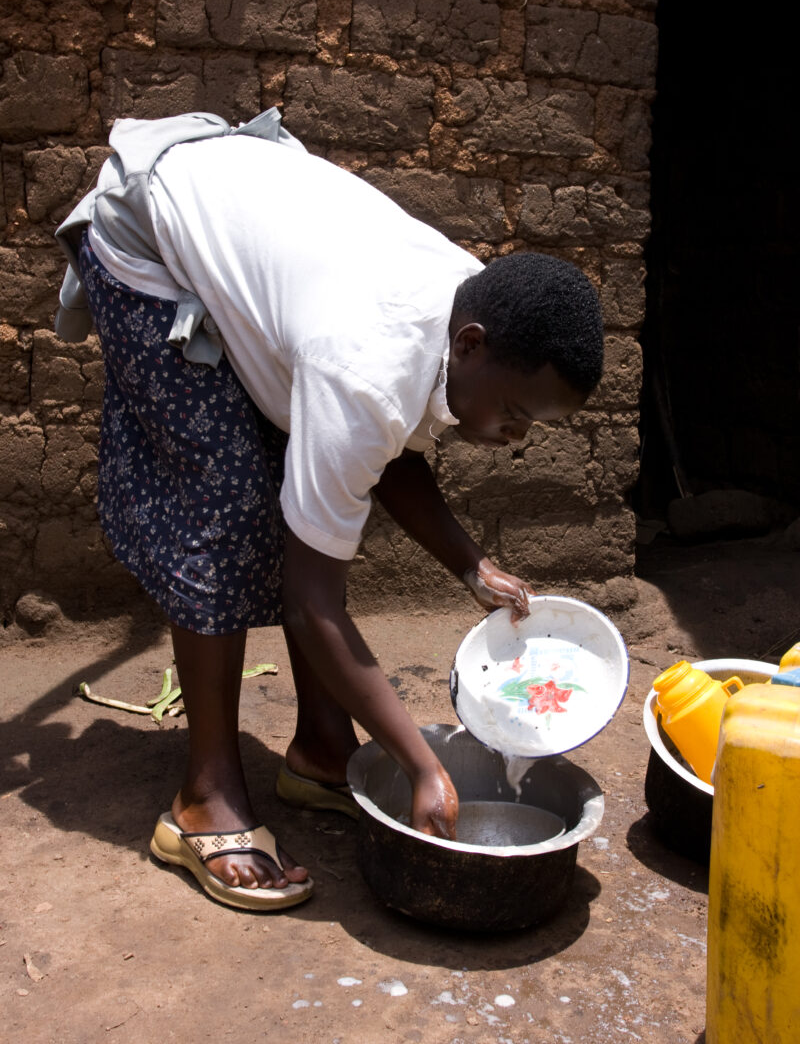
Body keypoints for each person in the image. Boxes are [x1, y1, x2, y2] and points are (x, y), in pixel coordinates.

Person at [55, 108, 604, 911]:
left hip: (241, 211)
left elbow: (387, 444)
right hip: (148, 237)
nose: (515, 438)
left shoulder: (459, 308)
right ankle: (204, 797)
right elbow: (315, 604)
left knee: (300, 477)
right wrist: (422, 764)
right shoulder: (365, 361)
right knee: (228, 503)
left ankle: (320, 750)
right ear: (474, 345)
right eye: (517, 414)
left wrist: (469, 563)